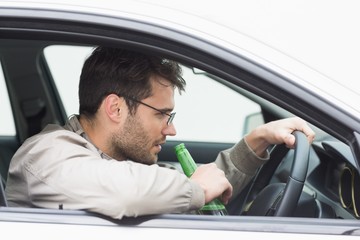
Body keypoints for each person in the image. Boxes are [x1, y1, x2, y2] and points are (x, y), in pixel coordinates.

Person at [5, 47, 315, 219]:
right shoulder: (45, 156)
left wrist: (255, 141)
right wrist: (195, 190)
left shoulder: (122, 160)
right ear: (115, 108)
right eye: (161, 114)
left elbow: (193, 186)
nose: (172, 128)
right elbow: (125, 191)